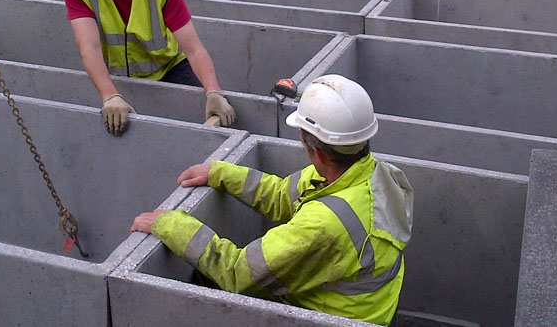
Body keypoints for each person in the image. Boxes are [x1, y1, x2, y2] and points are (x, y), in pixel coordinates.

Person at [131, 75, 413, 325]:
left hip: (337, 318)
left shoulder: (325, 223)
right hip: (367, 308)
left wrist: (172, 224)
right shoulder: (371, 173)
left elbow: (238, 273)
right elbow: (281, 195)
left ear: (316, 150)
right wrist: (222, 173)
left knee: (209, 281)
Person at [63, 0, 236, 135]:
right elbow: (90, 49)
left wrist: (213, 92)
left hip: (169, 69)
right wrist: (110, 95)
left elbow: (193, 48)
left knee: (198, 127)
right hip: (118, 76)